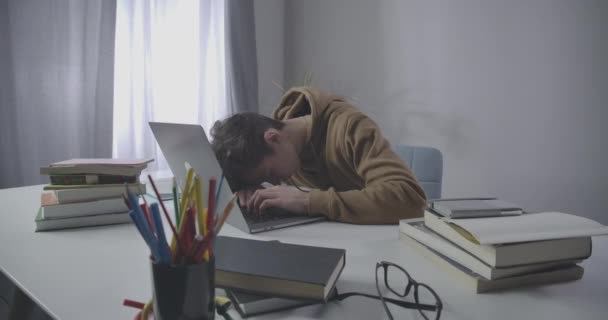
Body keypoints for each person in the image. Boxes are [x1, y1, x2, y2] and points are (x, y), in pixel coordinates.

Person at [210, 87, 427, 224]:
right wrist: (248, 190)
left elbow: (411, 200)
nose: (275, 182)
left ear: (273, 138)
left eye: (269, 173)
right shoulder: (285, 151)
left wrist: (308, 200)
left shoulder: (349, 127)